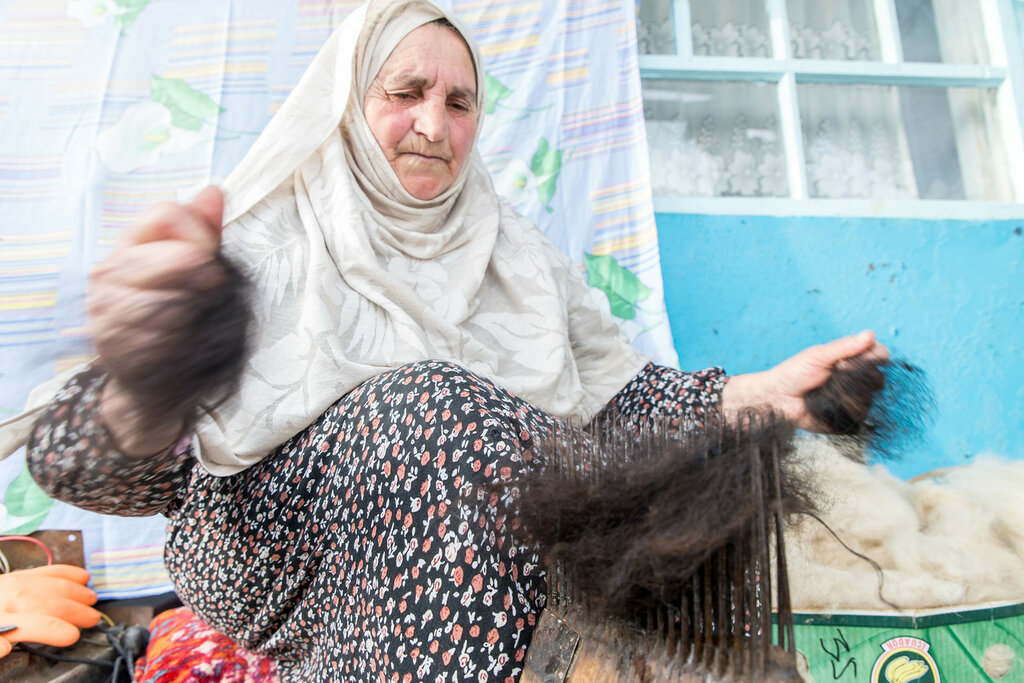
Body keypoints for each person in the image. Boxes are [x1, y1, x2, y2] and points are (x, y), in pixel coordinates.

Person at [19, 0, 886, 680]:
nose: (434, 124)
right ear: (349, 104)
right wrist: (146, 379)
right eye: (405, 93)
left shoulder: (514, 255)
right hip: (291, 561)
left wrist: (767, 393)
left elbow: (623, 401)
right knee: (437, 406)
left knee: (667, 498)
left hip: (482, 550)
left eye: (459, 101)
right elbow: (85, 466)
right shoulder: (259, 244)